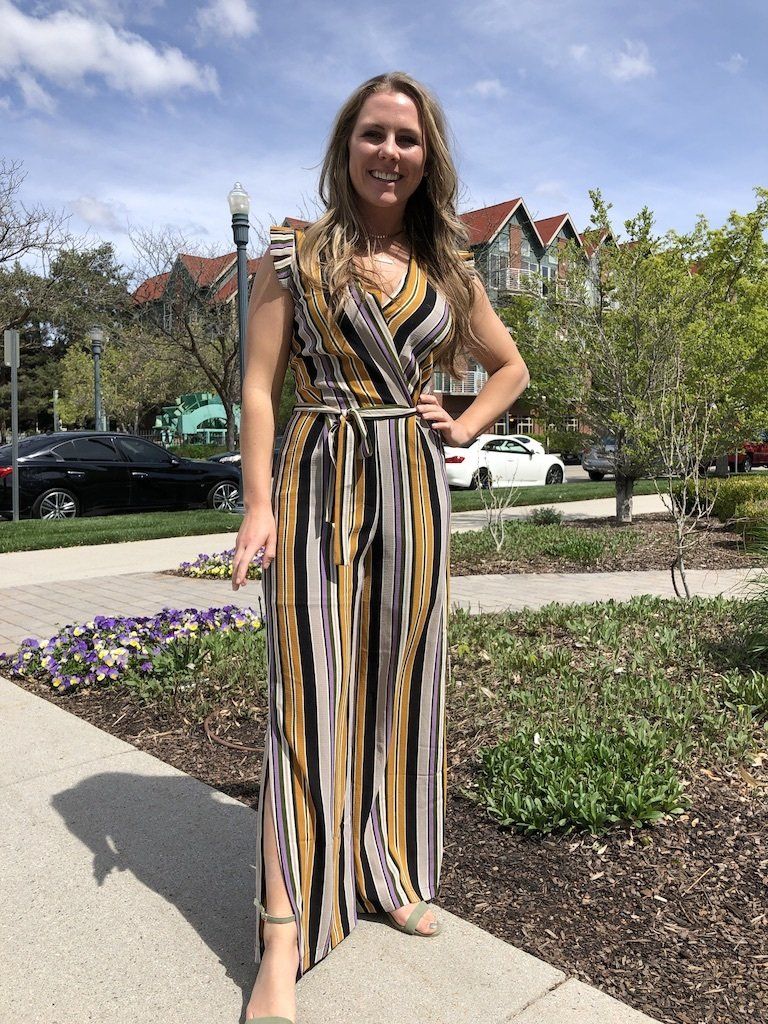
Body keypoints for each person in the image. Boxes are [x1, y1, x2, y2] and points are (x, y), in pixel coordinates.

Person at [231, 70, 530, 1024]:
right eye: (373, 133)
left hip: (411, 480)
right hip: (318, 475)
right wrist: (256, 506)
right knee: (307, 700)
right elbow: (259, 388)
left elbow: (511, 364)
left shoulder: (451, 263)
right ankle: (282, 937)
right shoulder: (294, 254)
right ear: (346, 144)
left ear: (427, 154)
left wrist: (466, 421)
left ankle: (387, 866)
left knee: (400, 688)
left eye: (407, 137)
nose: (389, 151)